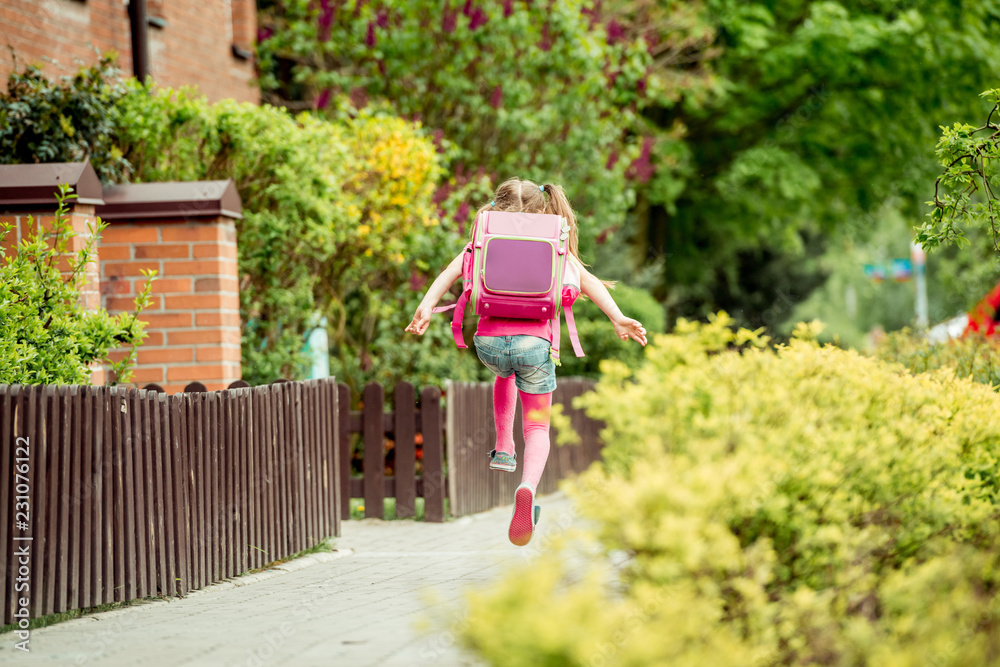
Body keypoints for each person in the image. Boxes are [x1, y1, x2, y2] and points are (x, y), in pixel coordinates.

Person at [405, 178, 647, 546]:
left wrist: (424, 308)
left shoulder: (483, 239)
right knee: (537, 427)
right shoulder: (556, 244)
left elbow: (448, 275)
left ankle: (504, 449)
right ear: (544, 209)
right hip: (535, 346)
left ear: (497, 206)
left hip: (488, 343)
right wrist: (618, 318)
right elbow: (590, 283)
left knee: (505, 373)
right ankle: (528, 488)